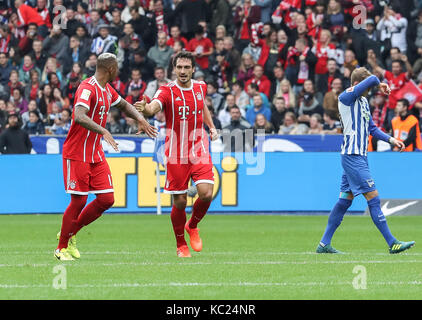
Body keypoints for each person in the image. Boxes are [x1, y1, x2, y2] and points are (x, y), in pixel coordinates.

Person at [55, 53, 157, 261]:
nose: (118, 71)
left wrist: (140, 119)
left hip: (94, 153)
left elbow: (124, 105)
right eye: (117, 67)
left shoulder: (107, 90)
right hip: (77, 152)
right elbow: (79, 115)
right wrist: (103, 131)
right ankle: (61, 247)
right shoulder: (87, 88)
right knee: (79, 200)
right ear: (110, 69)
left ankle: (71, 232)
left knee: (107, 199)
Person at [316, 67, 415, 254]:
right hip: (352, 157)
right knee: (374, 198)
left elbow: (372, 129)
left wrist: (391, 139)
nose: (370, 92)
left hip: (360, 156)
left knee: (344, 201)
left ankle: (324, 244)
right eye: (366, 86)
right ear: (357, 84)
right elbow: (372, 80)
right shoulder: (345, 97)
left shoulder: (363, 103)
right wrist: (379, 82)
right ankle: (392, 242)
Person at [134, 51, 219, 258]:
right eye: (179, 67)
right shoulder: (166, 91)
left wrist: (211, 126)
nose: (182, 71)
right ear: (174, 69)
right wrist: (145, 109)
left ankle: (193, 225)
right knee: (180, 201)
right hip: (175, 152)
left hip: (198, 147)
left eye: (186, 67)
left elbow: (202, 107)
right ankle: (181, 245)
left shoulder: (200, 87)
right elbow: (154, 107)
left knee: (206, 193)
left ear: (193, 69)